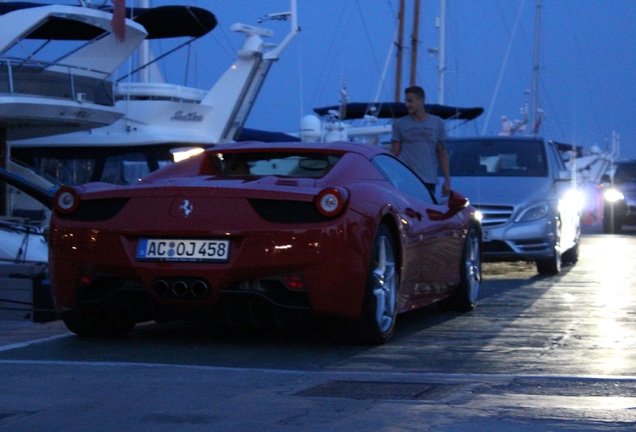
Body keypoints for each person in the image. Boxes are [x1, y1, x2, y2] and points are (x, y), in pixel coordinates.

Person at [390, 86, 451, 196]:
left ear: (421, 101)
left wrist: (447, 180)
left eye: (410, 101)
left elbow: (442, 153)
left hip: (429, 180)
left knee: (427, 211)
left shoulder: (437, 123)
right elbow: (394, 153)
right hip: (407, 180)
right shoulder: (399, 124)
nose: (407, 105)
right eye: (406, 101)